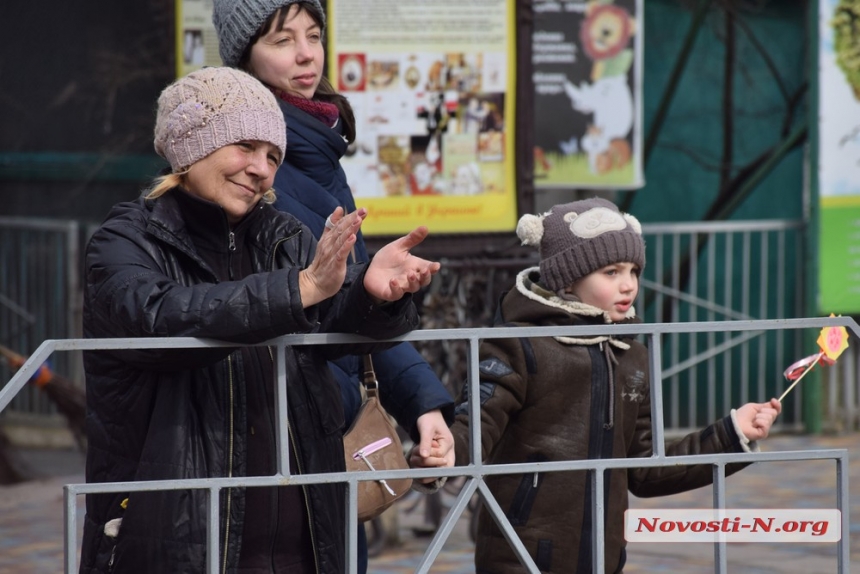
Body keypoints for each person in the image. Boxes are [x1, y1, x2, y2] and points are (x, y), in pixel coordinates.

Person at [79, 66, 441, 574]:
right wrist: (304, 287)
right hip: (177, 540)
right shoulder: (124, 241)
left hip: (305, 541)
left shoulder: (283, 236)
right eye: (245, 147)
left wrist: (370, 293)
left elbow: (329, 328)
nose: (261, 169)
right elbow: (160, 318)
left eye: (273, 156)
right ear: (191, 146)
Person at [211, 1, 456, 568]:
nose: (305, 53)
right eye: (281, 40)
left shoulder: (319, 146)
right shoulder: (261, 170)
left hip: (329, 436)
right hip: (284, 447)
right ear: (244, 59)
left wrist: (422, 405)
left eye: (314, 35)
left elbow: (354, 312)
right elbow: (295, 316)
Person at [413, 197, 782, 573]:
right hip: (521, 555)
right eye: (611, 272)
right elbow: (478, 422)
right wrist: (444, 455)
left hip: (603, 556)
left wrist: (731, 434)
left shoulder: (631, 355)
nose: (628, 285)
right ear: (568, 279)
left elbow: (645, 468)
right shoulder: (519, 343)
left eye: (633, 271)